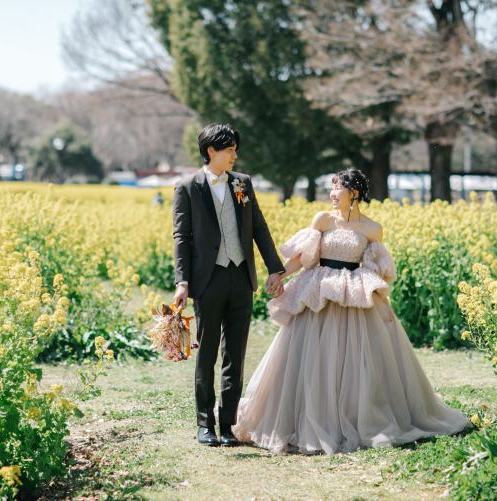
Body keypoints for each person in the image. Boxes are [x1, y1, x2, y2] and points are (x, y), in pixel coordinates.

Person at [233, 168, 471, 454]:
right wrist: (278, 276)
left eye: (339, 189)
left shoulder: (372, 228)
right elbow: (303, 259)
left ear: (354, 193)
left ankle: (353, 417)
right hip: (318, 293)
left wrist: (384, 302)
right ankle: (307, 418)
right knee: (312, 359)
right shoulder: (322, 219)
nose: (333, 194)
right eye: (331, 188)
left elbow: (374, 271)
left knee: (352, 361)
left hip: (353, 295)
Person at [172, 123, 286, 447]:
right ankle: (205, 424)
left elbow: (259, 228)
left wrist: (274, 269)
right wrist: (183, 282)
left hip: (241, 278)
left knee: (235, 355)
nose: (235, 155)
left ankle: (227, 424)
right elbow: (182, 237)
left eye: (236, 149)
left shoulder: (243, 184)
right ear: (211, 151)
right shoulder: (187, 187)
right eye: (230, 149)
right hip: (207, 280)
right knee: (207, 353)